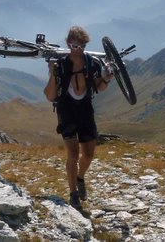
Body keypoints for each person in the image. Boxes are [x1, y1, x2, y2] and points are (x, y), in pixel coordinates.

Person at [44, 26, 112, 211]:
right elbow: (50, 96)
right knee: (73, 155)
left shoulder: (92, 63)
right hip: (66, 109)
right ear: (68, 44)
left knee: (88, 154)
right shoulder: (61, 65)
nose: (78, 49)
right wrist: (52, 74)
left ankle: (80, 177)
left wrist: (106, 79)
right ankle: (73, 193)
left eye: (81, 46)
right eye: (74, 46)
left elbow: (99, 87)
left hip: (85, 108)